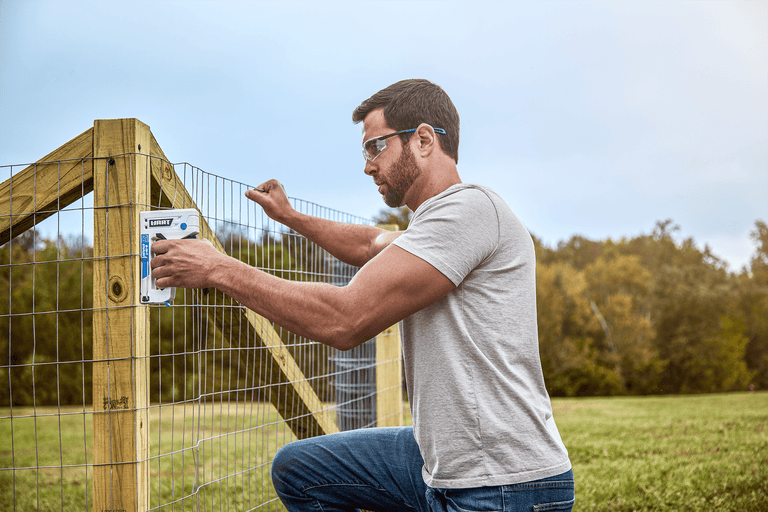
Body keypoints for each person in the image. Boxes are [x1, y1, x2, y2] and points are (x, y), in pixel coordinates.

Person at [151, 79, 575, 512]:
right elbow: (369, 244)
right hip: (444, 466)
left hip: (505, 486)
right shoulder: (435, 227)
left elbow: (344, 319)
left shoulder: (470, 212)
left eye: (376, 147)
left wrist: (217, 267)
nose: (368, 166)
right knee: (300, 469)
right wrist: (290, 217)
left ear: (424, 140)